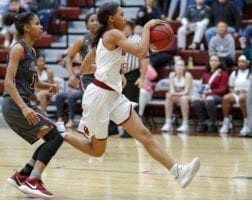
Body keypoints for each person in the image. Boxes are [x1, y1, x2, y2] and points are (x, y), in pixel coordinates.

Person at [58, 2, 200, 189]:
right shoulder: (113, 34)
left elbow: (85, 68)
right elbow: (141, 52)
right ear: (111, 18)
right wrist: (148, 27)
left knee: (144, 134)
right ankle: (59, 134)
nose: (125, 18)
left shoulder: (102, 37)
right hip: (99, 96)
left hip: (114, 96)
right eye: (122, 14)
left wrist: (112, 67)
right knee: (97, 151)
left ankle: (178, 172)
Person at [1, 12, 65, 199]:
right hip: (15, 104)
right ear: (27, 28)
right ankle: (33, 180)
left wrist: (49, 86)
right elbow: (8, 82)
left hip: (22, 103)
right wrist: (23, 107)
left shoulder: (33, 50)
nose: (41, 27)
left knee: (52, 136)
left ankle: (22, 175)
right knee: (56, 136)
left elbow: (35, 83)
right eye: (37, 24)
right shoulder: (18, 49)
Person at [192, 55, 229, 133]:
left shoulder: (223, 73)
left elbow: (222, 89)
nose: (213, 62)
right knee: (196, 100)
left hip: (219, 96)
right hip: (207, 95)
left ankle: (213, 124)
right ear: (209, 62)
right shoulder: (205, 73)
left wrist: (208, 95)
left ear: (219, 62)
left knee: (209, 100)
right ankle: (203, 123)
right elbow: (203, 86)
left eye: (215, 61)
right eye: (211, 60)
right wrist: (201, 95)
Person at [65, 13, 99, 92]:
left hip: (104, 76)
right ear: (87, 25)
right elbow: (69, 57)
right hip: (88, 78)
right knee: (91, 102)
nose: (95, 22)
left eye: (98, 20)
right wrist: (71, 75)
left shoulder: (107, 39)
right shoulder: (81, 40)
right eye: (92, 20)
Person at [219, 55, 251, 136]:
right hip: (236, 93)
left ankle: (246, 124)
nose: (241, 64)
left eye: (243, 62)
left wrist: (246, 91)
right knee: (225, 98)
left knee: (242, 98)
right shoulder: (234, 73)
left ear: (247, 63)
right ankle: (226, 123)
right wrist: (235, 91)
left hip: (248, 95)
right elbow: (230, 87)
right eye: (239, 62)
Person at [161, 59, 193, 133]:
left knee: (183, 99)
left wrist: (173, 94)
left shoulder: (188, 75)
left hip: (189, 96)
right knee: (169, 97)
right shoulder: (172, 75)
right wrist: (172, 94)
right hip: (179, 96)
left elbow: (186, 92)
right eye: (178, 65)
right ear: (175, 67)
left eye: (181, 65)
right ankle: (168, 123)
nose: (179, 67)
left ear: (184, 67)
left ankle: (185, 124)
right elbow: (172, 90)